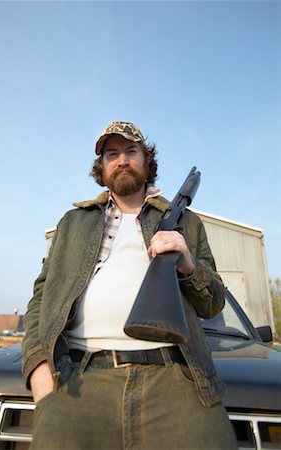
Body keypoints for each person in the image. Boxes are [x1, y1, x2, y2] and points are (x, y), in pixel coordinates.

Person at [22, 121, 237, 450]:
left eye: (131, 151)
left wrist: (187, 263)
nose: (122, 160)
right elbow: (41, 300)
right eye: (112, 153)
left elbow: (214, 303)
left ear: (146, 160)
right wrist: (38, 372)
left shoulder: (186, 223)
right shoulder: (72, 222)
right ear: (103, 166)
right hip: (77, 379)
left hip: (177, 377)